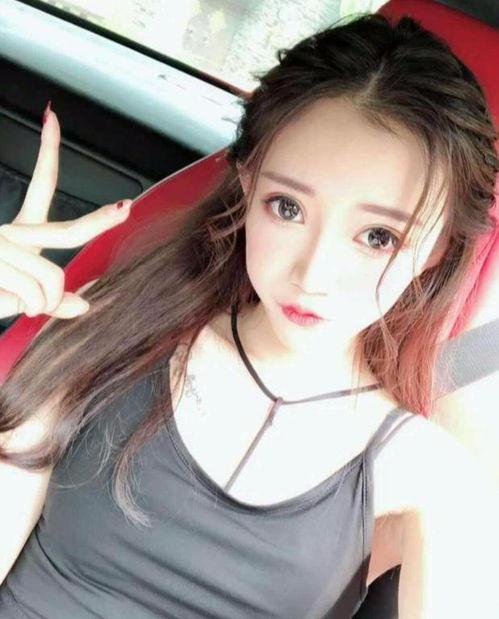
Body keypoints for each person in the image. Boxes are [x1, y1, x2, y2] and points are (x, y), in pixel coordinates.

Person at [0, 13, 498, 619]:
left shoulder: (427, 475)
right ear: (247, 184)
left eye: (379, 237)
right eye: (287, 207)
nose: (313, 274)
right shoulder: (113, 320)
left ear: (440, 249)